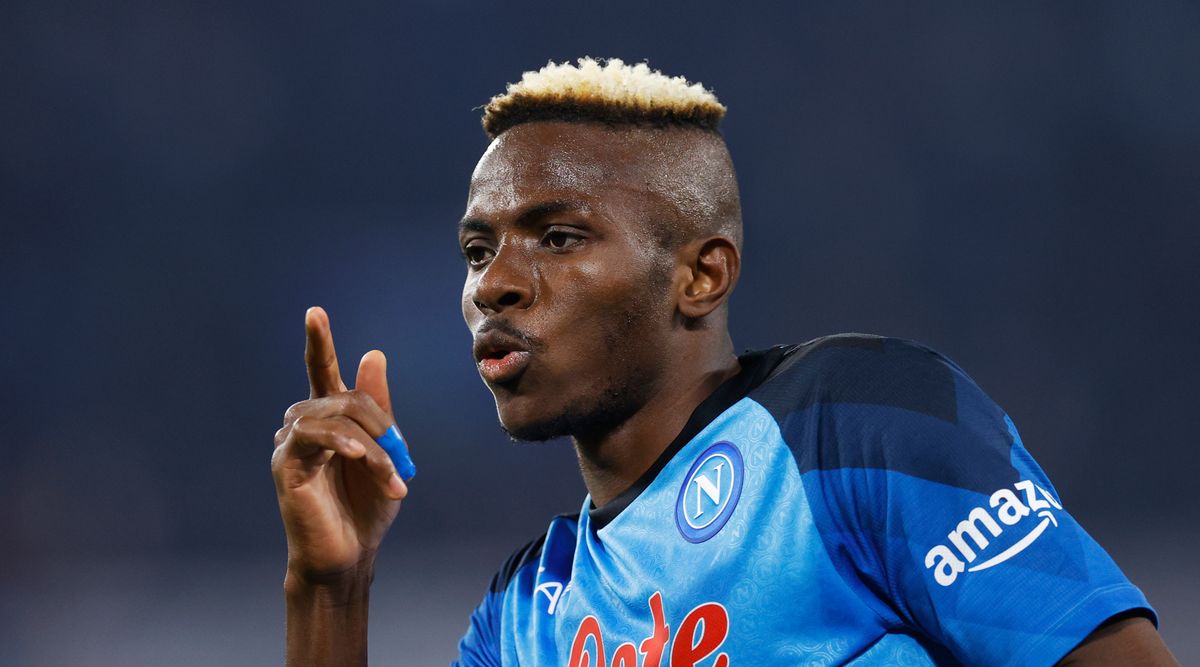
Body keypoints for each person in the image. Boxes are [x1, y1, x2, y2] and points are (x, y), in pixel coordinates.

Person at [270, 58, 1177, 666]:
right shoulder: (522, 617)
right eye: (476, 250)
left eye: (556, 235)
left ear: (701, 275)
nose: (495, 284)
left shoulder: (856, 424)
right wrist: (330, 588)